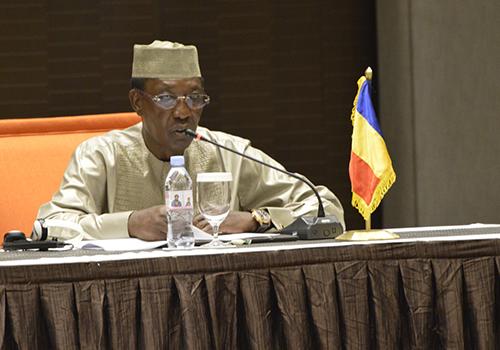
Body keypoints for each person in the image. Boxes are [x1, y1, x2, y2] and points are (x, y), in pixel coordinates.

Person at [37, 40, 344, 241]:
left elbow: (326, 208)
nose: (184, 113)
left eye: (195, 98)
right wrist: (129, 224)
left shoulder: (230, 152)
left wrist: (256, 219)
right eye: (166, 98)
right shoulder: (102, 155)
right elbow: (48, 226)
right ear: (138, 102)